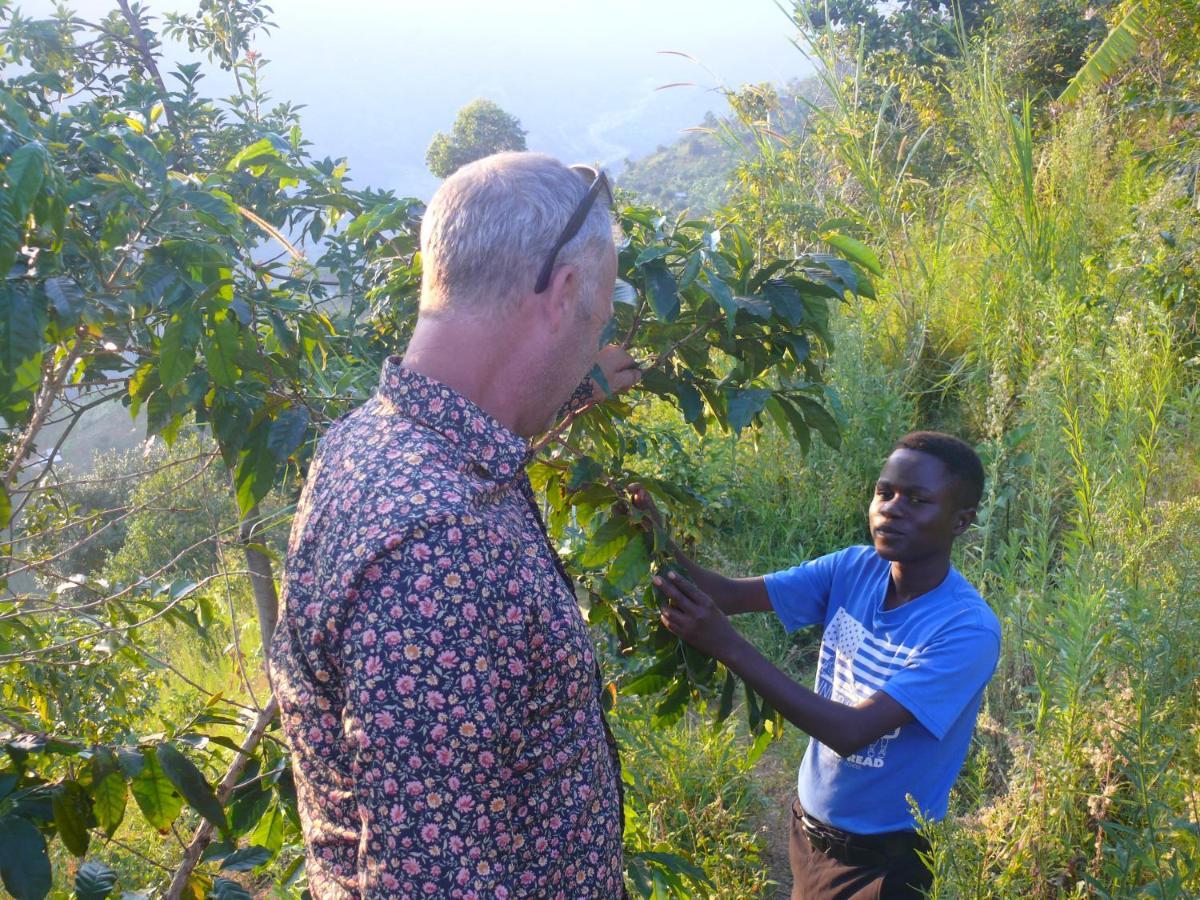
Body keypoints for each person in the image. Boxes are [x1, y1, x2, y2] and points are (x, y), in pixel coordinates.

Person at [270, 152, 641, 898]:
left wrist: (576, 390)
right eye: (597, 318)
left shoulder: (375, 438)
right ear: (564, 292)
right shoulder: (440, 550)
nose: (590, 345)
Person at [643, 432, 1001, 899]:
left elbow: (851, 732)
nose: (891, 508)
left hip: (883, 865)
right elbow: (727, 595)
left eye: (917, 499)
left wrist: (727, 646)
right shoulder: (854, 568)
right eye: (884, 492)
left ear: (961, 521)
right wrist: (651, 534)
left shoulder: (966, 629)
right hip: (809, 833)